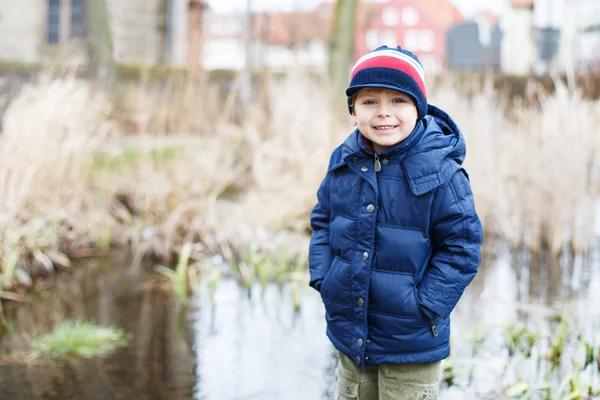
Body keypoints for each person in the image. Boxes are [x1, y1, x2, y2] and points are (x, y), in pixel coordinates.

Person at [308, 45, 483, 399]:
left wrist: (425, 306)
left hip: (411, 343)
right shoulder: (344, 163)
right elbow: (323, 220)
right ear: (353, 109)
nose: (383, 113)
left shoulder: (442, 172)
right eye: (370, 102)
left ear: (418, 107)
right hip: (350, 333)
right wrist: (325, 278)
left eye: (398, 101)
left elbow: (462, 248)